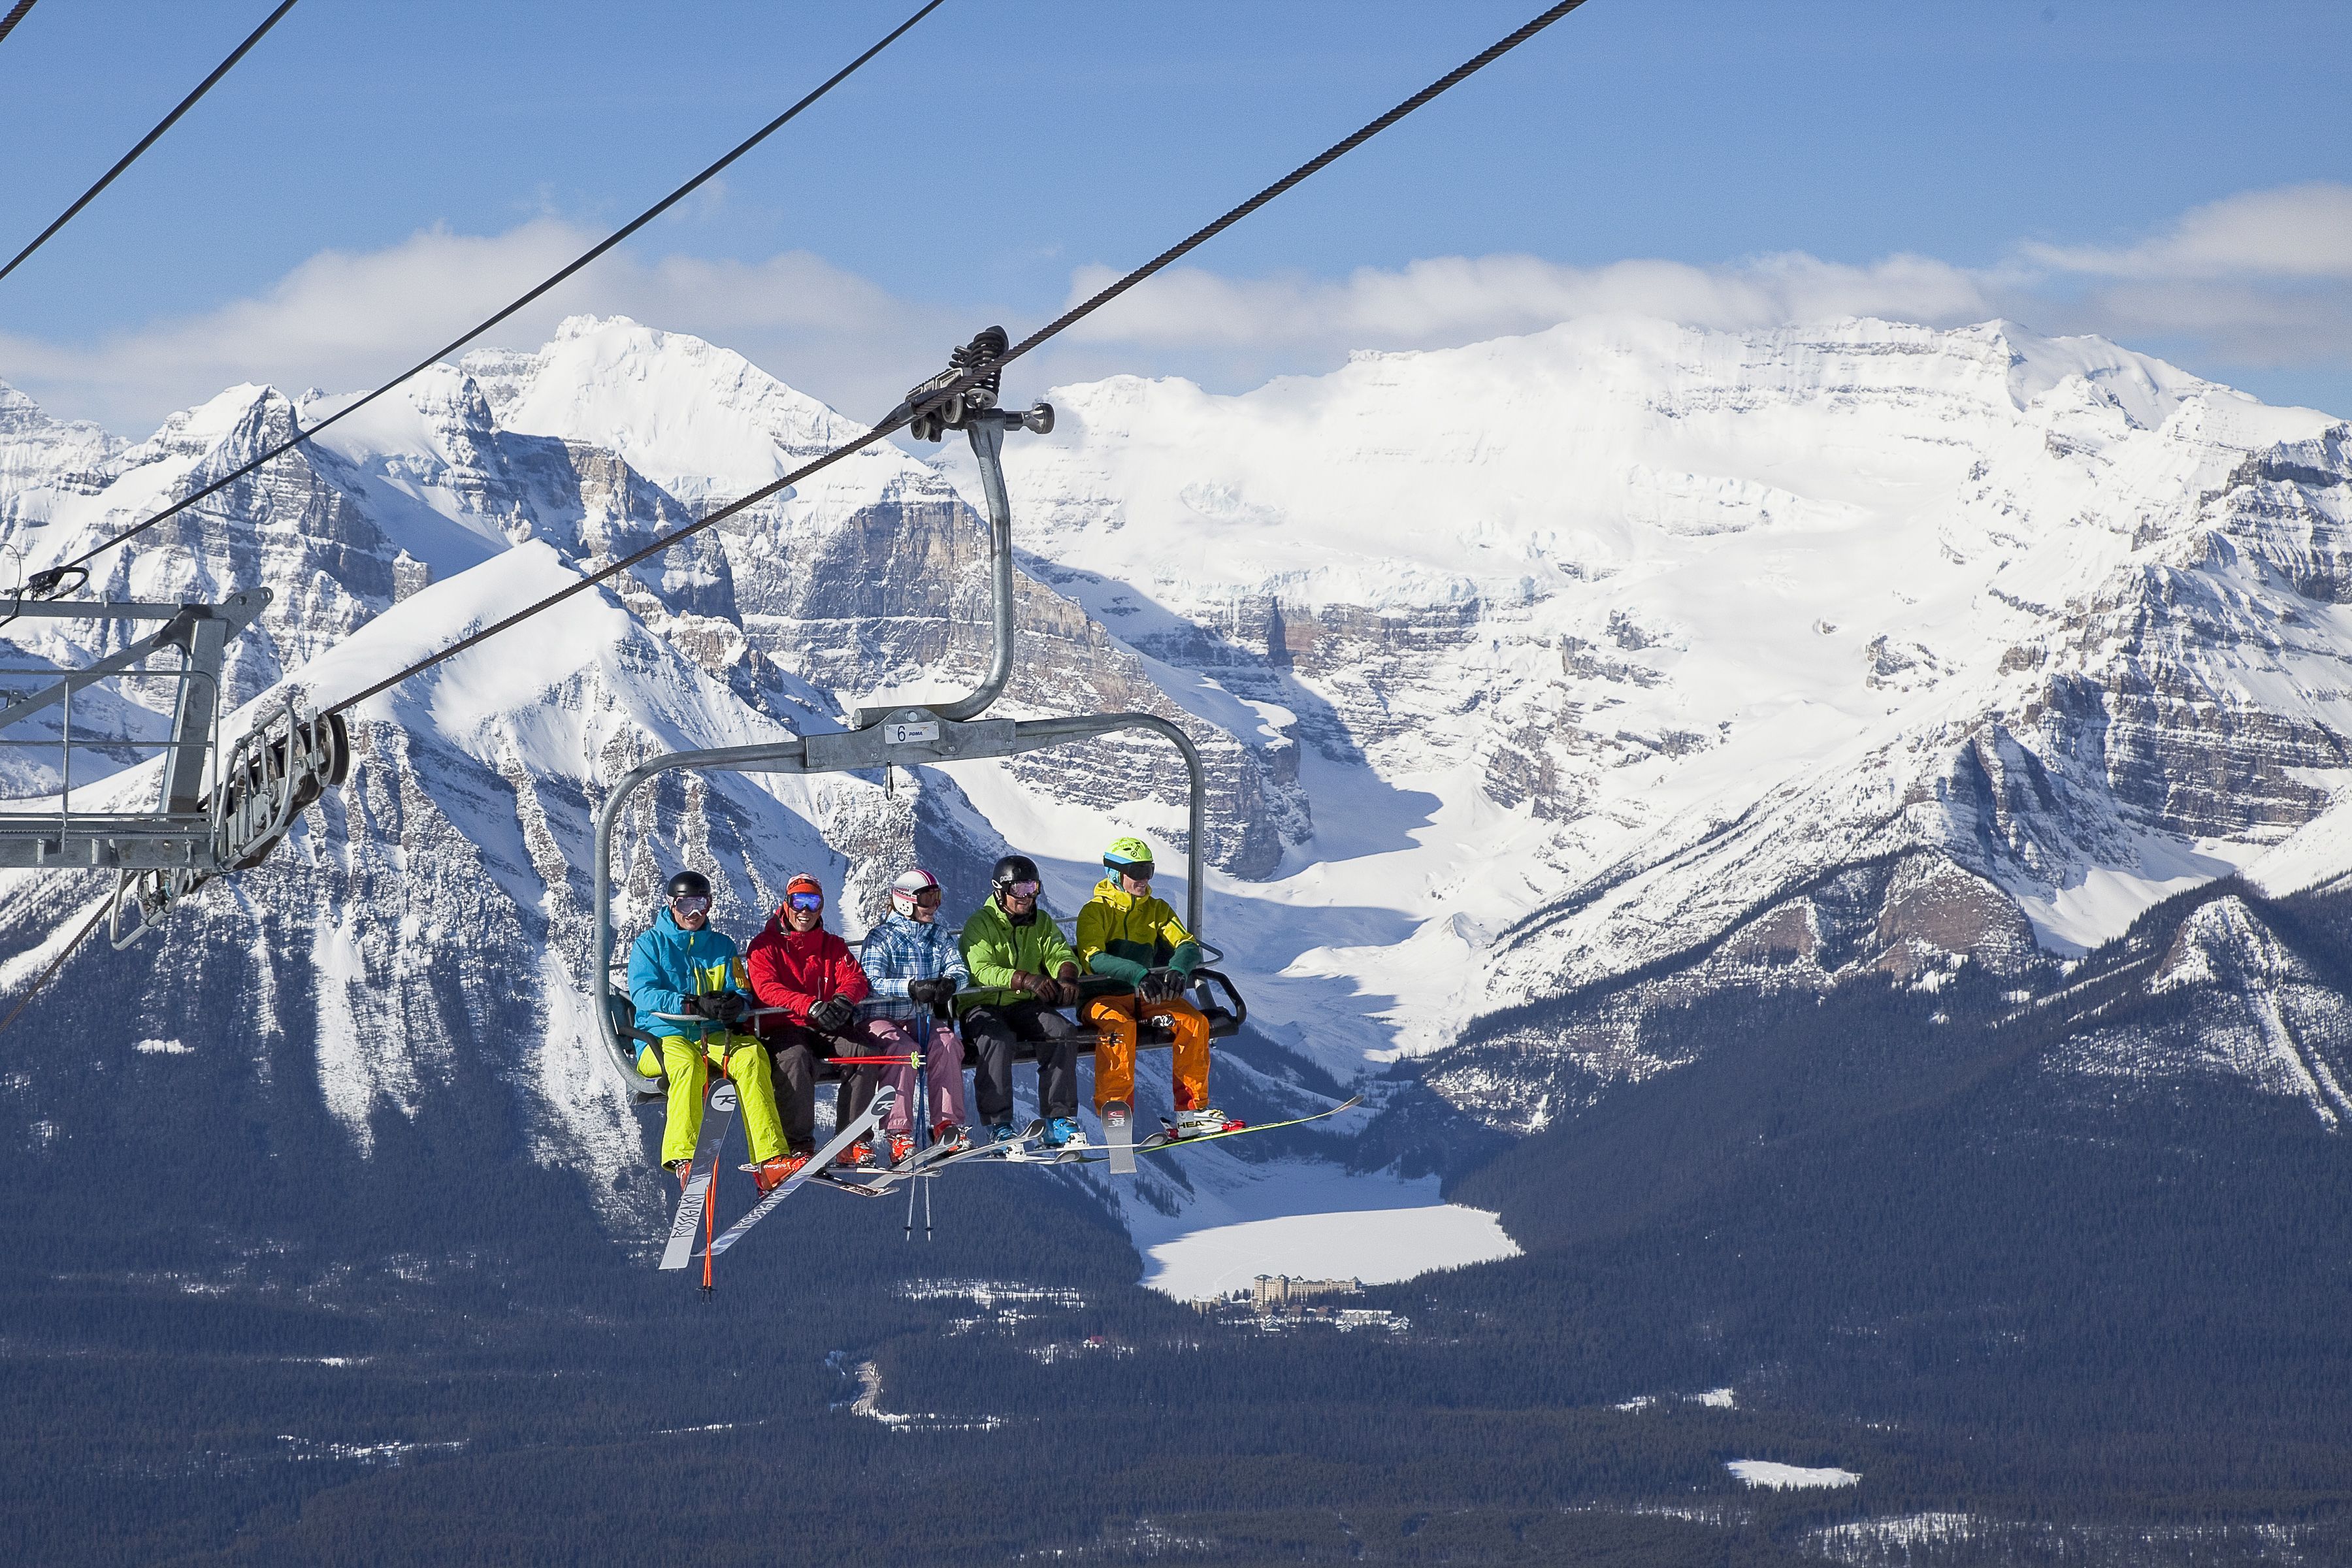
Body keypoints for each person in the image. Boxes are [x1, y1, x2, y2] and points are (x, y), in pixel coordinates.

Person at [626, 869, 798, 1190]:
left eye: (701, 904)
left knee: (751, 1056)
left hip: (713, 1035)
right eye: (686, 904)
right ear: (671, 904)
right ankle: (685, 1158)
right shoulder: (650, 945)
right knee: (686, 1066)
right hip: (662, 1036)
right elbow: (643, 993)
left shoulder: (721, 946)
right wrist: (690, 1004)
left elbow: (741, 988)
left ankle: (769, 1159)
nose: (694, 913)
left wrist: (736, 1004)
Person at [1075, 836, 1223, 1139]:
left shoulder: (1156, 910)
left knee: (1194, 1023)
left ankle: (1191, 1113)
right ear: (1115, 874)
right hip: (1102, 998)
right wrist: (1139, 974)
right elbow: (1093, 958)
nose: (1143, 880)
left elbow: (1187, 944)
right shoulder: (1095, 912)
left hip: (1146, 996)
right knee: (1119, 1028)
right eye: (1137, 872)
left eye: (1148, 871)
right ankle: (1116, 1113)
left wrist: (1179, 969)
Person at [744, 872, 883, 1166]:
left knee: (865, 1051)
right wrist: (810, 1006)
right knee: (795, 1059)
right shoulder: (765, 946)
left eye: (813, 902)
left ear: (821, 907)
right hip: (782, 1027)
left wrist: (843, 1001)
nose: (804, 911)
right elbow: (766, 988)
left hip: (824, 1027)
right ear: (786, 904)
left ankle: (852, 1140)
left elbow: (855, 978)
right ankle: (798, 1146)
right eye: (799, 902)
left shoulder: (831, 945)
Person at [958, 853, 1086, 1147]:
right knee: (998, 1041)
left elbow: (1058, 952)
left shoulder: (1040, 922)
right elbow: (982, 970)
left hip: (1022, 1004)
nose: (1027, 897)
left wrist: (1066, 974)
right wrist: (1025, 979)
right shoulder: (979, 924)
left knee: (1062, 1033)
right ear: (1001, 890)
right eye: (1019, 890)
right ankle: (999, 1126)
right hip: (982, 1004)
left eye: (1033, 889)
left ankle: (1058, 1120)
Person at [857, 866, 974, 1165]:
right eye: (927, 899)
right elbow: (872, 981)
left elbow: (959, 968)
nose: (934, 906)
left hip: (917, 1017)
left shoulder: (938, 935)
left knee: (947, 1043)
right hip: (880, 1016)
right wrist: (910, 988)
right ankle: (899, 1132)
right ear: (906, 902)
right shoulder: (881, 937)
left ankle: (947, 1126)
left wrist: (950, 983)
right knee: (902, 1050)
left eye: (937, 898)